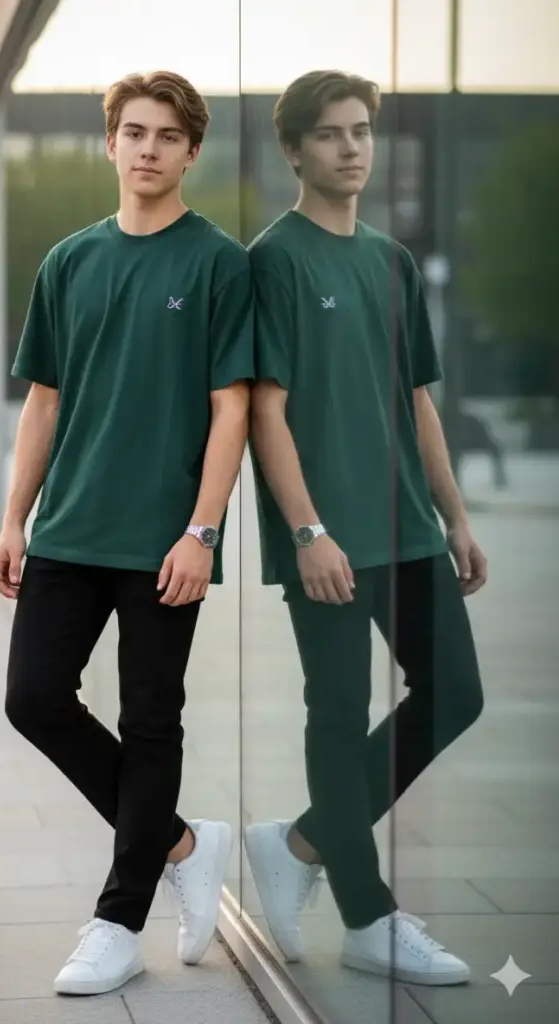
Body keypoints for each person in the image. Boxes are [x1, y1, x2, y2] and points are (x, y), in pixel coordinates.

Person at [0, 70, 254, 997]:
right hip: (67, 527)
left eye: (167, 136)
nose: (148, 149)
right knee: (33, 699)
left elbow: (233, 411)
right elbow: (44, 401)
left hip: (162, 542)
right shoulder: (68, 261)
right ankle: (182, 840)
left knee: (151, 720)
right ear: (110, 143)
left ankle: (117, 918)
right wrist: (14, 518)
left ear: (190, 152)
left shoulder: (219, 263)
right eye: (133, 132)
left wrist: (202, 532)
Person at [245, 70, 487, 986]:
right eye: (331, 135)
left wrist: (453, 516)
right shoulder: (275, 259)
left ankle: (305, 838)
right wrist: (307, 534)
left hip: (408, 526)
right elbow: (268, 411)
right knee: (337, 714)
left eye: (361, 132)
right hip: (327, 536)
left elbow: (416, 401)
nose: (352, 148)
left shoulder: (388, 260)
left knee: (454, 694)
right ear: (295, 151)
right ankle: (364, 911)